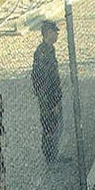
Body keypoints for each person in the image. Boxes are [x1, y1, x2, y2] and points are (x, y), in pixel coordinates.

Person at [31, 20, 63, 164]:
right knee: (49, 125)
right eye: (55, 32)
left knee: (54, 125)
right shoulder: (42, 52)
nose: (57, 35)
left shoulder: (49, 49)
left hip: (51, 95)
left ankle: (53, 153)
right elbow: (44, 80)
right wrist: (53, 101)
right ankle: (50, 156)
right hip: (47, 97)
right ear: (48, 33)